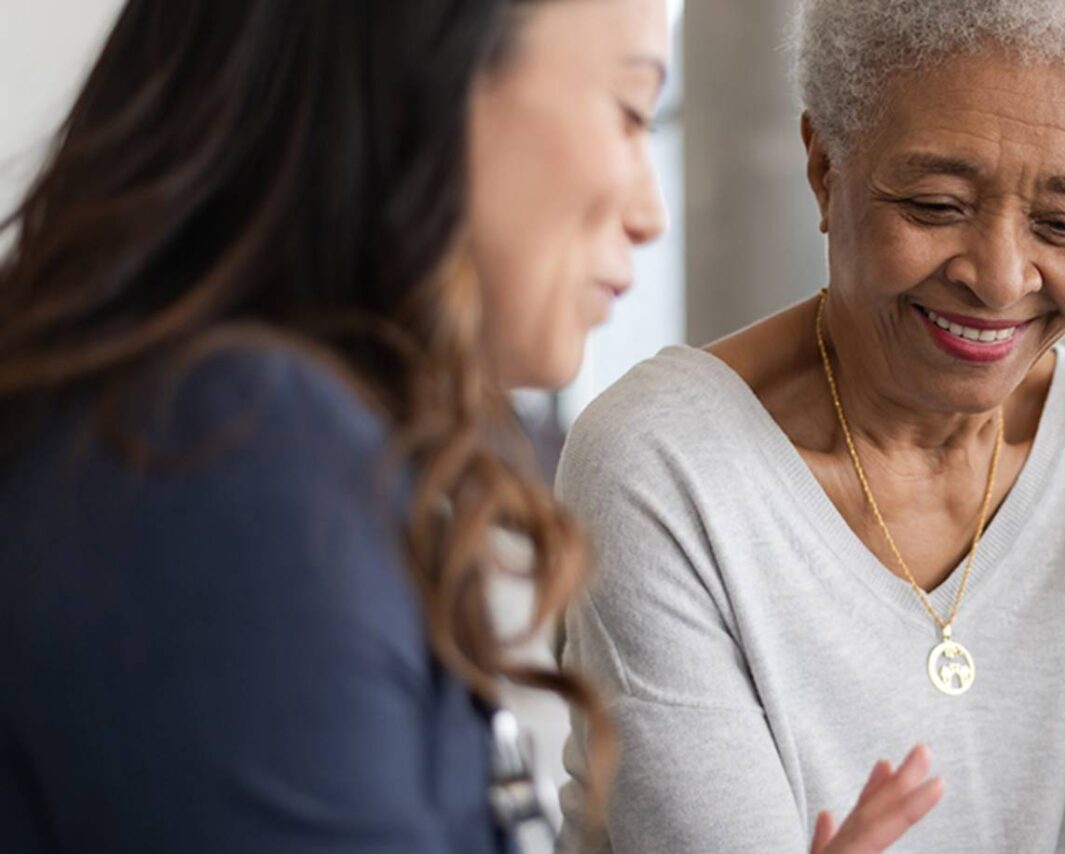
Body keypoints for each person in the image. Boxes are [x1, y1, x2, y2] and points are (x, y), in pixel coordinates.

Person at [0, 1, 930, 850]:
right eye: (630, 109)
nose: (650, 212)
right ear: (431, 76)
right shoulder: (230, 460)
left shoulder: (250, 445)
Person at [553, 0, 1065, 850]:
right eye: (935, 206)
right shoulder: (665, 466)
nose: (1001, 280)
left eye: (1064, 224)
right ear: (825, 168)